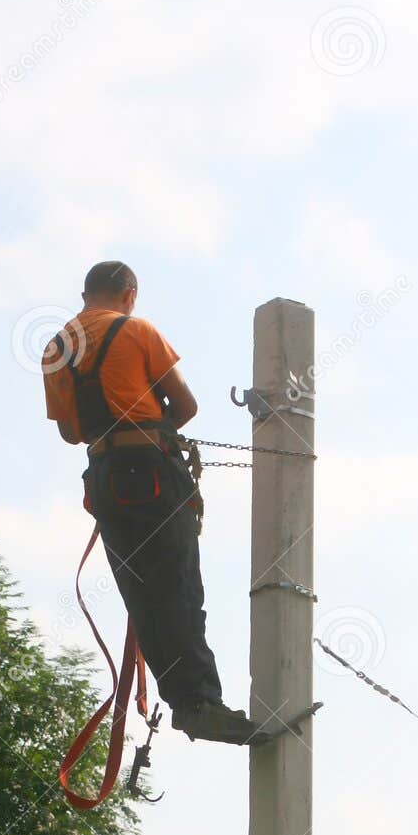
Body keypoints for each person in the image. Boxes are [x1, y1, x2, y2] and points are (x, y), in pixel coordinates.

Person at [42, 260, 263, 745]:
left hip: (104, 479)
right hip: (151, 473)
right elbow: (185, 406)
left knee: (142, 596)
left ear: (86, 295)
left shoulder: (56, 348)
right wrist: (150, 428)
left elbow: (70, 432)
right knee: (178, 588)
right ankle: (200, 702)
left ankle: (187, 703)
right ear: (129, 294)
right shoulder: (136, 330)